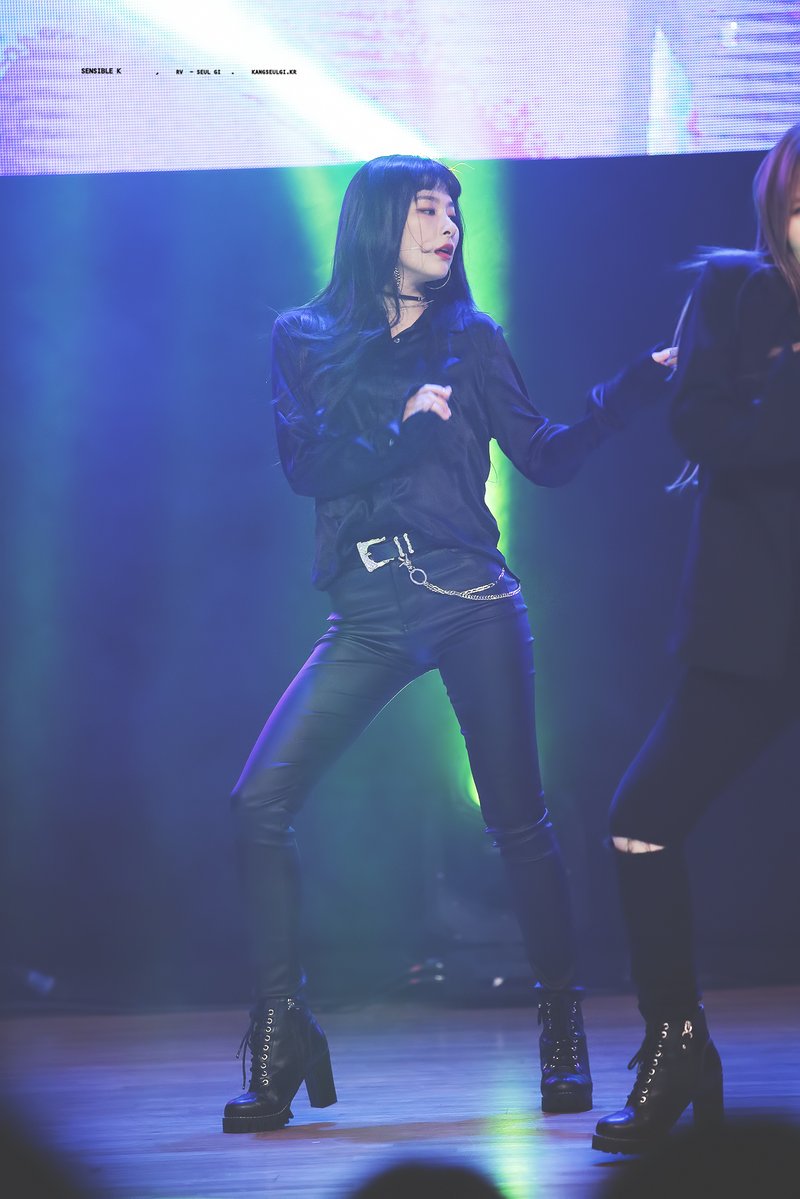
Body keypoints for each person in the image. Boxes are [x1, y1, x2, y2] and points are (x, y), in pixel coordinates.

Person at [223, 154, 669, 1134]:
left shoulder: (471, 338)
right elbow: (305, 467)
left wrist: (629, 391)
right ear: (380, 220)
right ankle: (281, 1027)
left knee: (517, 821)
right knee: (257, 803)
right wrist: (400, 427)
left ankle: (561, 1020)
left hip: (468, 597)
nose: (449, 225)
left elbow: (543, 456)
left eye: (455, 210)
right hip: (366, 610)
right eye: (428, 208)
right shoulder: (304, 336)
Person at [593, 122, 800, 1155]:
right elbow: (705, 428)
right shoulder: (731, 290)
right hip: (751, 618)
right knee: (641, 819)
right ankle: (676, 1044)